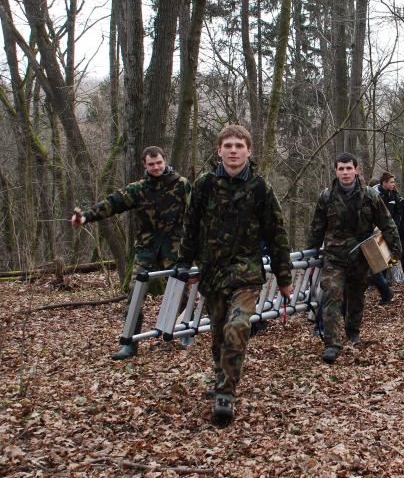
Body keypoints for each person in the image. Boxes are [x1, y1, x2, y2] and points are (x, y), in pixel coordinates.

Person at [176, 125, 293, 427]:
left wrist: (284, 278)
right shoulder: (204, 184)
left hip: (246, 273)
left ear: (249, 151)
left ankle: (226, 394)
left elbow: (276, 233)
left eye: (239, 146)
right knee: (218, 335)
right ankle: (221, 380)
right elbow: (190, 225)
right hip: (213, 274)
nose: (233, 151)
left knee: (237, 327)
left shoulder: (260, 188)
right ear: (219, 151)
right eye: (227, 145)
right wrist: (184, 263)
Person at [72, 146, 191, 360]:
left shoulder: (181, 185)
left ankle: (178, 331)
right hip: (146, 249)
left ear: (165, 161)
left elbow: (196, 212)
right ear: (145, 165)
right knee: (135, 293)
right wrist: (86, 217)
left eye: (159, 163)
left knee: (180, 293)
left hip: (175, 248)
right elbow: (113, 203)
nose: (156, 167)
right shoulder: (138, 189)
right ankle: (129, 343)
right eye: (151, 164)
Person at [306, 153, 402, 364]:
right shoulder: (327, 197)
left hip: (361, 257)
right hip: (334, 258)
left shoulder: (370, 196)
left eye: (349, 168)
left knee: (356, 296)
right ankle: (332, 344)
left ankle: (353, 331)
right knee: (332, 294)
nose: (345, 172)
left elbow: (387, 224)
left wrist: (396, 251)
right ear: (336, 171)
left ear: (356, 170)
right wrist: (310, 255)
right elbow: (317, 228)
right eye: (341, 169)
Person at [372, 172, 404, 304]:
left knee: (398, 255)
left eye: (394, 182)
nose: (394, 184)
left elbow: (399, 214)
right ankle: (384, 284)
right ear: (384, 183)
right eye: (391, 182)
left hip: (394, 232)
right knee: (381, 257)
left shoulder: (395, 195)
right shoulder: (377, 194)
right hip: (379, 232)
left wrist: (395, 228)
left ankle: (402, 275)